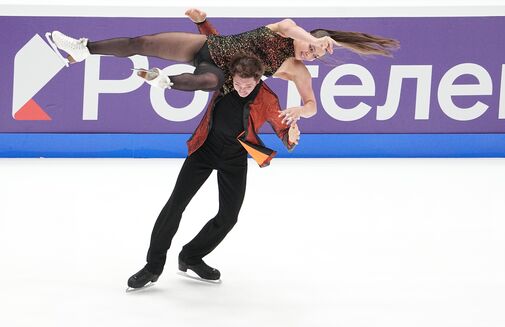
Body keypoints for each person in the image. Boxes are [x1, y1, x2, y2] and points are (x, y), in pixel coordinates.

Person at [127, 53, 301, 290]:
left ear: (259, 80)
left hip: (235, 158)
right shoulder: (224, 82)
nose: (241, 88)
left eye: (247, 85)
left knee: (229, 217)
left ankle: (191, 255)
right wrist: (201, 22)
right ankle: (152, 267)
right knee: (175, 205)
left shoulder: (268, 98)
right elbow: (213, 45)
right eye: (238, 83)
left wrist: (290, 136)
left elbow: (282, 127)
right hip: (204, 151)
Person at [46, 9, 399, 126]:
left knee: (204, 82)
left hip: (219, 69)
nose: (311, 55)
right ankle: (83, 49)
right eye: (312, 49)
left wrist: (299, 112)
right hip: (206, 46)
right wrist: (314, 39)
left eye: (317, 55)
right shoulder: (288, 27)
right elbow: (299, 33)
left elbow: (312, 104)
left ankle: (163, 83)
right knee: (144, 42)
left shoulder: (297, 71)